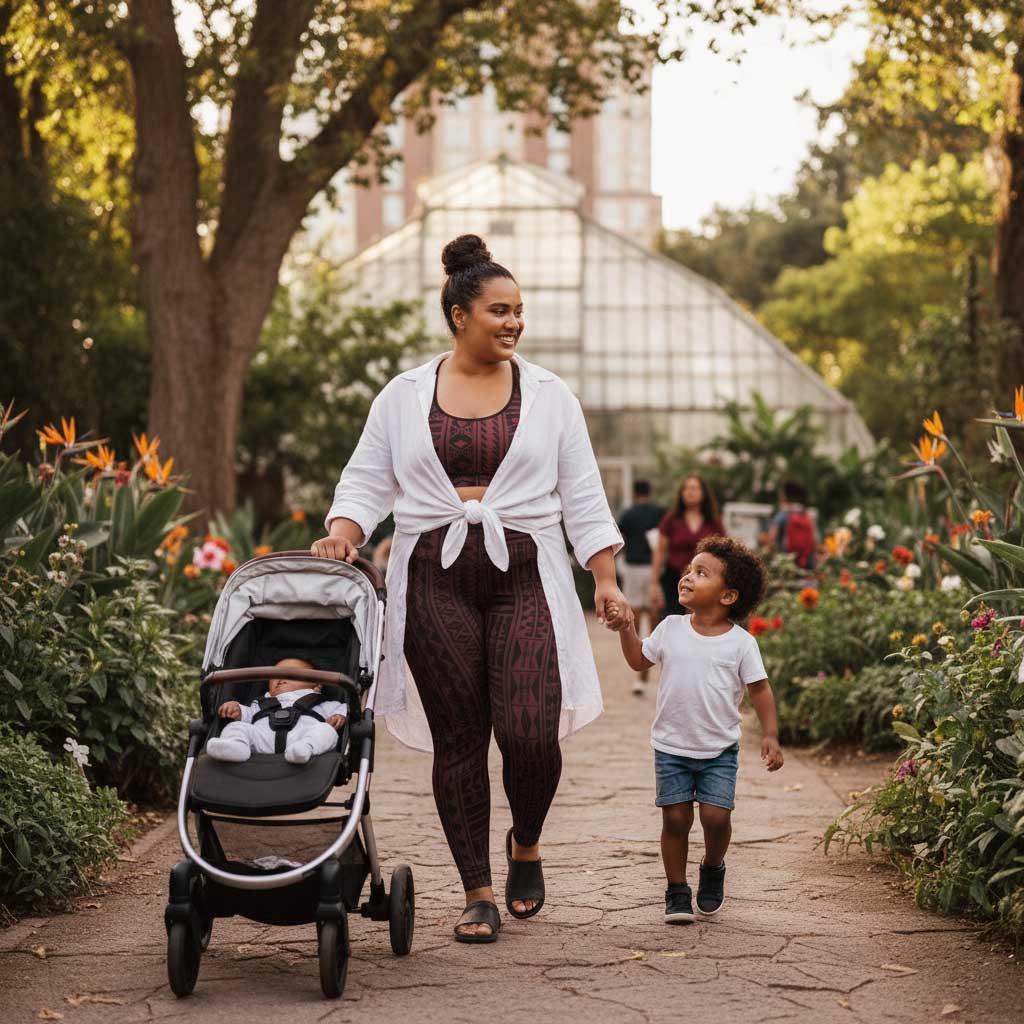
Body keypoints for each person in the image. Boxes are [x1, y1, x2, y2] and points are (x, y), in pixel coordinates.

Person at [311, 234, 626, 944]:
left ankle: (526, 842)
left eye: (518, 311)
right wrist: (344, 531)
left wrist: (603, 578)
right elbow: (366, 478)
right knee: (460, 739)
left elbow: (582, 490)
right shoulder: (403, 396)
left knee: (529, 733)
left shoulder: (549, 395)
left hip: (526, 576)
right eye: (499, 310)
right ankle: (476, 891)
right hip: (434, 579)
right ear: (459, 315)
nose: (513, 322)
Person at [606, 536, 783, 924]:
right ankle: (676, 891)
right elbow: (638, 660)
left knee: (717, 819)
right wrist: (628, 627)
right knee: (675, 819)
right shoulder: (670, 628)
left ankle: (713, 866)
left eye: (701, 573)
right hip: (671, 746)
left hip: (719, 749)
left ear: (728, 596)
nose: (686, 577)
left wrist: (770, 734)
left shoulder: (741, 644)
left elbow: (760, 689)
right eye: (689, 570)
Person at [206, 657, 348, 765]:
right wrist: (236, 708)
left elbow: (347, 707)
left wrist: (340, 714)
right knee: (236, 727)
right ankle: (237, 747)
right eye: (274, 675)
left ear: (317, 685)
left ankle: (305, 748)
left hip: (301, 737)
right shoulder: (262, 702)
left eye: (291, 674)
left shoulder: (324, 703)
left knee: (326, 730)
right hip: (262, 741)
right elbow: (248, 715)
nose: (280, 678)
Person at [649, 475, 724, 620]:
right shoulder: (671, 519)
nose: (690, 492)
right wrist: (654, 584)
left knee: (701, 622)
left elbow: (723, 552)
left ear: (703, 493)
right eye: (686, 489)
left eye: (694, 488)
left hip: (704, 581)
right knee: (671, 622)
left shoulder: (713, 520)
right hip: (674, 581)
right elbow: (659, 551)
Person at [616, 479, 663, 696]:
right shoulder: (659, 513)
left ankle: (640, 669)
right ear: (650, 491)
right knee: (654, 618)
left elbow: (619, 540)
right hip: (654, 568)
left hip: (633, 568)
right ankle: (647, 671)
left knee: (633, 617)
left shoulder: (628, 514)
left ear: (635, 493)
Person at [766, 480, 818, 572]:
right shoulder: (806, 513)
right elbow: (815, 539)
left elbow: (771, 537)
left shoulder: (783, 514)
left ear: (785, 495)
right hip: (807, 562)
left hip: (787, 562)